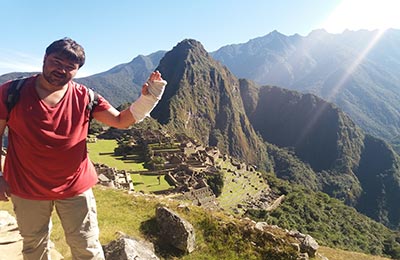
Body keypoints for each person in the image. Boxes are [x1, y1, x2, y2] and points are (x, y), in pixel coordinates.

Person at [0, 37, 167, 260]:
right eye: (56, 61)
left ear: (77, 70)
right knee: (34, 247)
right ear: (44, 59)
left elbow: (121, 120)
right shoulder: (12, 92)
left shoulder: (86, 97)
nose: (61, 69)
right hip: (26, 187)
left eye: (70, 67)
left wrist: (150, 98)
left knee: (86, 247)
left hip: (75, 188)